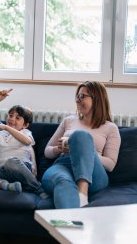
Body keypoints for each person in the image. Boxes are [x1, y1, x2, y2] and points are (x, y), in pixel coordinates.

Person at [42, 81, 121, 209]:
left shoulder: (110, 128)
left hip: (93, 173)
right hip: (64, 165)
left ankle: (82, 191)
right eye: (77, 96)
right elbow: (47, 151)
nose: (78, 100)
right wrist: (59, 149)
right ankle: (70, 224)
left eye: (82, 96)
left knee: (81, 136)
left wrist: (84, 150)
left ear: (97, 99)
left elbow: (110, 164)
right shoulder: (68, 121)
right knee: (62, 180)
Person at [0, 89, 47, 198]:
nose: (12, 119)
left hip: (21, 168)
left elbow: (27, 141)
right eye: (10, 115)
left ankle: (37, 187)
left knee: (11, 162)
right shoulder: (1, 134)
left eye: (17, 118)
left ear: (25, 125)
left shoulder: (25, 132)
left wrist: (6, 127)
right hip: (4, 172)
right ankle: (2, 184)